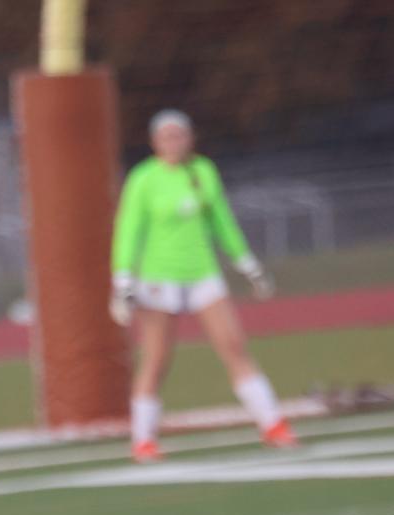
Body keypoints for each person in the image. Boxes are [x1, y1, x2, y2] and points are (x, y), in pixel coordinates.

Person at [111, 109, 298, 463]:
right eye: (166, 137)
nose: (173, 143)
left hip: (202, 274)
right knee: (157, 357)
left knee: (233, 346)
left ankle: (273, 424)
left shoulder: (202, 172)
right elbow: (128, 230)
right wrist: (122, 279)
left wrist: (247, 264)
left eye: (179, 135)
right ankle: (143, 438)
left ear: (190, 138)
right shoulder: (144, 178)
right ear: (154, 142)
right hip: (158, 278)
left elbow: (221, 221)